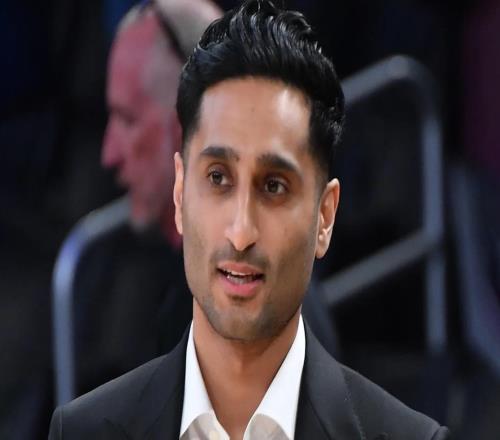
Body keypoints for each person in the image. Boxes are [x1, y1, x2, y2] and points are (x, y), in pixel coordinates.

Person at [49, 1, 451, 439]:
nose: (241, 232)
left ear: (325, 215)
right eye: (218, 178)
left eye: (274, 186)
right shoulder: (83, 429)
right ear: (181, 191)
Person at [72, 0, 222, 393]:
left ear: (187, 126)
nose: (109, 154)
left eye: (128, 119)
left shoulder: (245, 316)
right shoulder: (183, 303)